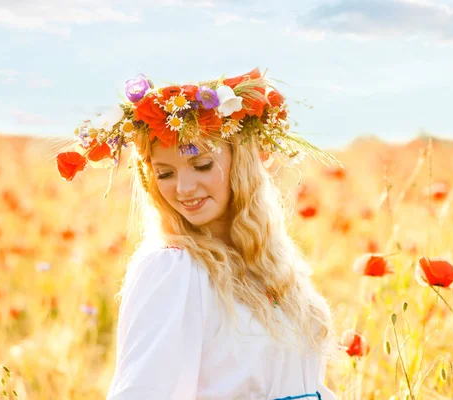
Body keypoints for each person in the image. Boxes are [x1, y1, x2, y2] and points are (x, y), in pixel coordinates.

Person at [55, 68, 342, 399]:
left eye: (202, 165)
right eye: (165, 173)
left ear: (242, 161)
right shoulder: (173, 269)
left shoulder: (273, 265)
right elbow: (142, 392)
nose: (184, 189)